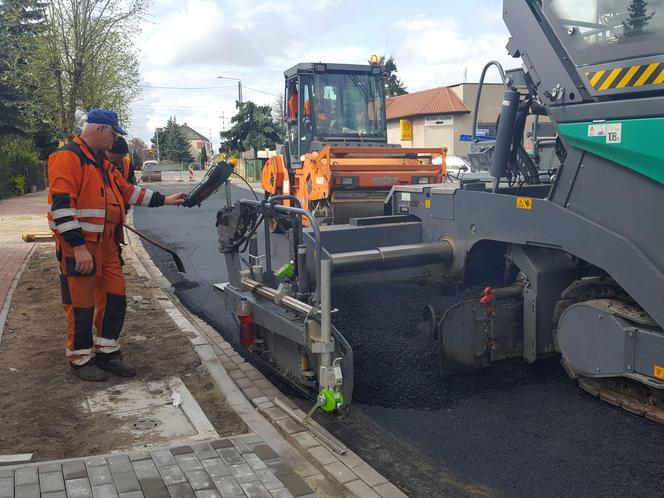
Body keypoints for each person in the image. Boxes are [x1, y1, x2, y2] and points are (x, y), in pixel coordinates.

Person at [47, 108, 187, 382]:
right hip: (82, 249)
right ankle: (80, 358)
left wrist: (165, 200)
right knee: (81, 307)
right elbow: (62, 207)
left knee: (115, 298)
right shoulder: (67, 158)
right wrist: (78, 247)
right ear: (100, 129)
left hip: (108, 247)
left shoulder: (102, 163)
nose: (115, 140)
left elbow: (127, 191)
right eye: (114, 133)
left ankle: (106, 351)